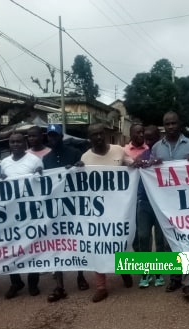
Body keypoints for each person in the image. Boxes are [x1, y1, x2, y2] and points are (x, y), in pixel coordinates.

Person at [149, 111, 189, 301]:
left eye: (173, 123)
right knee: (170, 242)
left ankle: (188, 283)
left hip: (186, 204)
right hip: (164, 204)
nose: (170, 126)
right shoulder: (156, 147)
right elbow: (150, 171)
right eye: (167, 123)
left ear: (179, 124)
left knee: (186, 242)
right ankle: (174, 278)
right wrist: (151, 164)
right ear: (164, 125)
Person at [79, 123, 133, 303]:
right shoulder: (85, 158)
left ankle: (124, 270)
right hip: (97, 210)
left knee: (120, 240)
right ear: (90, 138)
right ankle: (101, 286)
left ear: (105, 134)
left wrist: (142, 163)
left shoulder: (118, 150)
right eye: (94, 134)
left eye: (101, 133)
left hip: (119, 206)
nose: (99, 137)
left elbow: (132, 166)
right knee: (98, 244)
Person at [41, 124, 90, 301]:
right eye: (50, 136)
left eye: (55, 136)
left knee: (76, 240)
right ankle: (59, 285)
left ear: (61, 137)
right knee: (57, 244)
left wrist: (79, 167)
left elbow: (83, 175)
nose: (52, 139)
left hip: (74, 205)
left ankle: (80, 275)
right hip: (56, 208)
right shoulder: (46, 159)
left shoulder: (75, 153)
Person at [0, 132, 44, 299]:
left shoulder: (34, 160)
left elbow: (42, 183)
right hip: (11, 213)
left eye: (19, 142)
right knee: (12, 248)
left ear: (24, 144)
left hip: (30, 212)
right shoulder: (4, 163)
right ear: (9, 144)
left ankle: (33, 282)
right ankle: (16, 282)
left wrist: (40, 173)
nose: (16, 144)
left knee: (32, 247)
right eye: (12, 142)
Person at [132, 125, 165, 289]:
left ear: (158, 137)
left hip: (161, 204)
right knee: (143, 237)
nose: (149, 141)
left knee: (160, 239)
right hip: (144, 202)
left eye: (152, 138)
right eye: (147, 138)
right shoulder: (142, 156)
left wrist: (161, 164)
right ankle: (146, 271)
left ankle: (158, 272)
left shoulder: (164, 156)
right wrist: (135, 164)